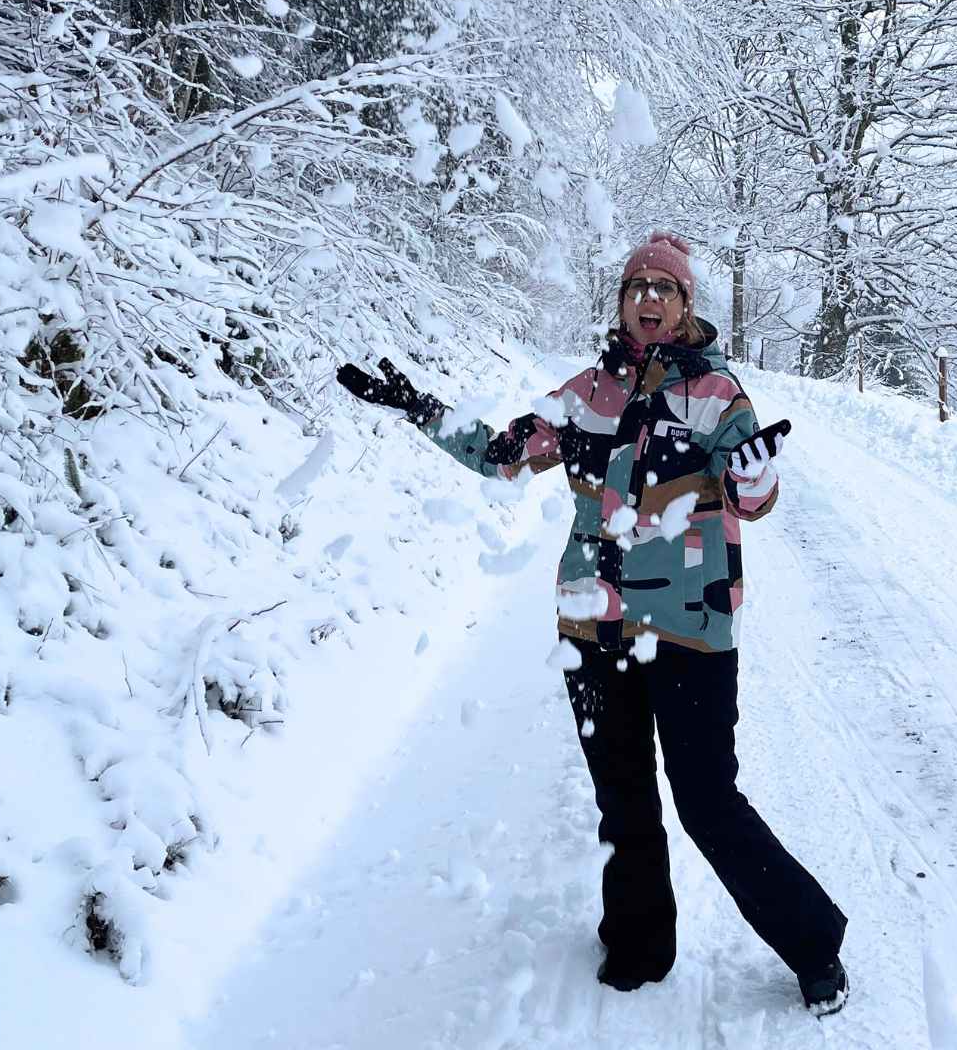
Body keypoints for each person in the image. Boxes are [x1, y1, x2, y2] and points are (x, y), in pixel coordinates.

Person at [335, 231, 851, 1016]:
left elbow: (753, 494)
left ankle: (814, 943)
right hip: (594, 627)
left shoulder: (717, 395)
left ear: (685, 308)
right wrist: (420, 411)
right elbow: (498, 453)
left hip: (691, 629)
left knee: (708, 800)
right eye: (637, 285)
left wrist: (757, 477)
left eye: (665, 288)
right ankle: (641, 942)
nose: (649, 298)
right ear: (620, 302)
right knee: (624, 798)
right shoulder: (583, 393)